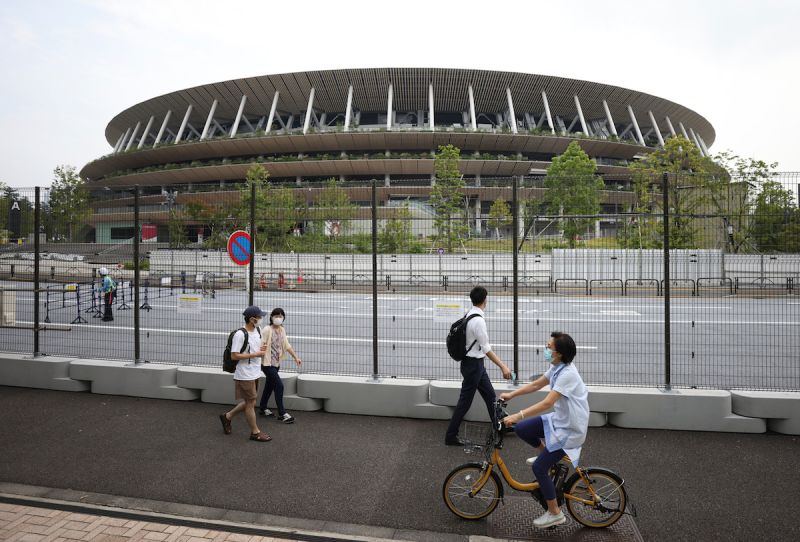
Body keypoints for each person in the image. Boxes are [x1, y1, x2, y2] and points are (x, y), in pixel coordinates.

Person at [500, 331, 589, 529]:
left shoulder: (568, 374)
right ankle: (546, 454)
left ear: (559, 353)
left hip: (570, 430)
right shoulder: (557, 367)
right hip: (559, 420)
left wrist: (516, 415)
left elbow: (547, 403)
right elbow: (536, 384)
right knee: (523, 429)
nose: (546, 349)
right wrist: (511, 395)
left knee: (539, 468)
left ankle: (555, 513)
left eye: (549, 347)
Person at [445, 286, 512, 446]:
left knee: (490, 397)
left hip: (475, 365)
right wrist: (503, 366)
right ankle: (450, 436)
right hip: (473, 366)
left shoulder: (470, 314)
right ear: (485, 300)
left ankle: (499, 426)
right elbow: (486, 348)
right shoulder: (478, 320)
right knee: (464, 402)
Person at [219, 306, 272, 442]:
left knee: (251, 401)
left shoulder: (258, 330)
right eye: (259, 317)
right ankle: (255, 432)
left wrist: (261, 350)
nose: (261, 319)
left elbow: (255, 348)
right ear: (251, 319)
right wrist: (256, 354)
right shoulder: (240, 334)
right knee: (250, 403)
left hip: (255, 371)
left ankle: (227, 416)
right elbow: (234, 356)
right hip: (244, 373)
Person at [258, 308, 302, 423]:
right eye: (276, 315)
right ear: (272, 317)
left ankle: (262, 408)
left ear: (283, 318)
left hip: (276, 364)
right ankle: (282, 414)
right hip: (267, 364)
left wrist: (296, 357)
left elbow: (287, 345)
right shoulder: (267, 329)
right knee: (279, 386)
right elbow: (259, 343)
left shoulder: (282, 330)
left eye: (281, 316)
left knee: (269, 386)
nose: (278, 318)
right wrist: (259, 351)